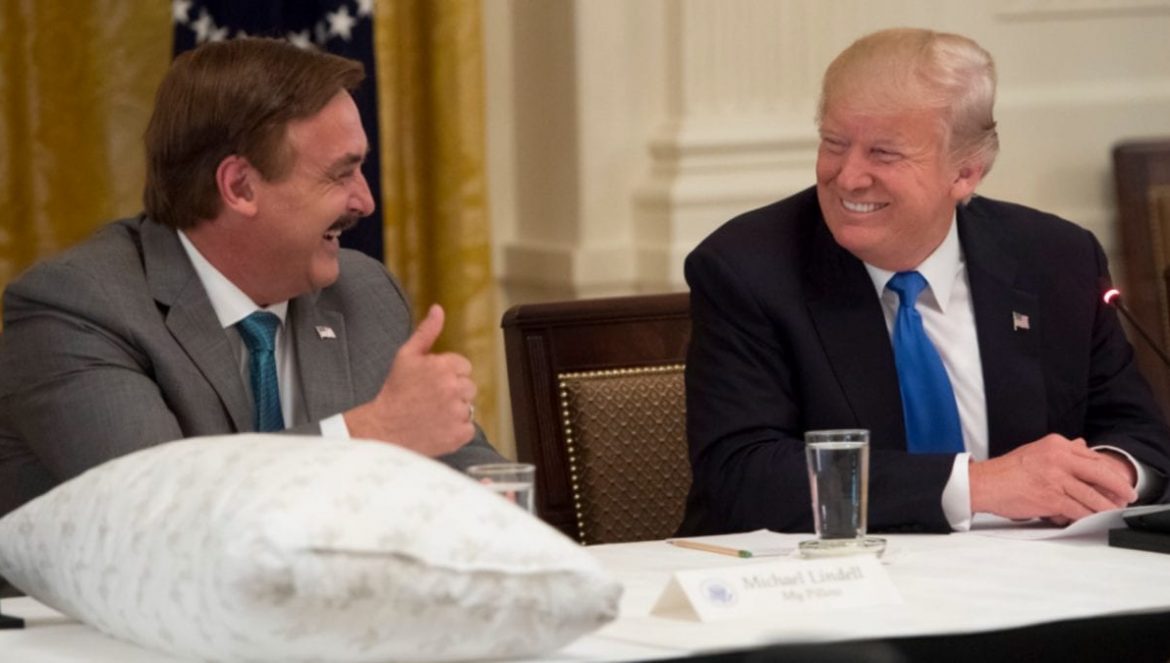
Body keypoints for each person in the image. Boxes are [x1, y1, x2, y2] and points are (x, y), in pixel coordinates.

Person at [678, 28, 1170, 536]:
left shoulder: (1056, 259)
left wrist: (1110, 473)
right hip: (831, 574)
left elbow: (1140, 434)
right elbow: (744, 476)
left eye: (883, 154)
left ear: (965, 174)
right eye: (834, 143)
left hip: (1032, 571)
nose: (848, 177)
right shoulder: (749, 268)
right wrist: (976, 486)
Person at [0, 38, 502, 518]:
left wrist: (491, 501)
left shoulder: (364, 293)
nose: (366, 202)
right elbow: (157, 508)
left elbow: (480, 480)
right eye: (340, 174)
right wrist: (369, 433)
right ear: (239, 186)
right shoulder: (79, 310)